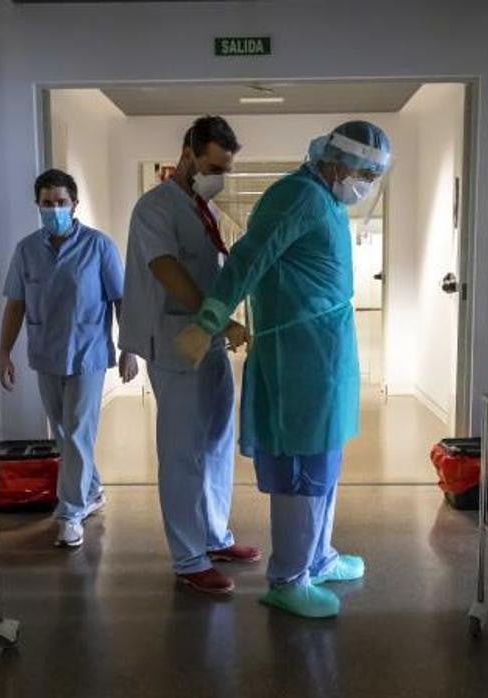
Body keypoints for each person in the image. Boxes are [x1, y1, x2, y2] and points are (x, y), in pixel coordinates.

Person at [175, 121, 393, 618]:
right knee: (302, 469)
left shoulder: (326, 201)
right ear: (337, 161)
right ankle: (289, 579)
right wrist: (209, 319)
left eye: (373, 176)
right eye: (363, 173)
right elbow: (248, 259)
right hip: (297, 357)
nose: (365, 184)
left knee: (324, 464)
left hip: (324, 355)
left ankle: (317, 558)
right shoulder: (296, 197)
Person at [118, 116, 260, 595]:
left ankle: (215, 536)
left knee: (218, 440)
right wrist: (220, 320)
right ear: (188, 153)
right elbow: (165, 270)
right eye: (213, 165)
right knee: (182, 452)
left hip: (208, 343)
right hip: (176, 343)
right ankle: (188, 557)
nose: (218, 175)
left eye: (225, 168)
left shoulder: (202, 209)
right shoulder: (155, 208)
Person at [0, 168, 138, 548]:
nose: (54, 209)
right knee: (63, 435)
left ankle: (70, 513)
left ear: (74, 204)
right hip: (46, 354)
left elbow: (122, 300)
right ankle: (91, 489)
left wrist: (129, 349)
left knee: (77, 434)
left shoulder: (98, 247)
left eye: (61, 203)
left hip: (88, 354)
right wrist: (3, 351)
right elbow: (15, 303)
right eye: (47, 204)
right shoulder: (27, 250)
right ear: (38, 206)